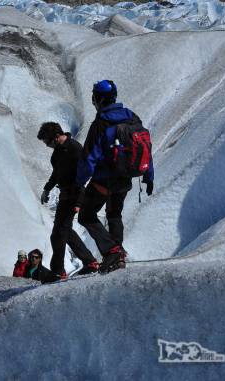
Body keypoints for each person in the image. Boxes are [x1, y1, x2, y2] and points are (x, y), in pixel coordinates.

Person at [76, 80, 154, 273]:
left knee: (86, 215)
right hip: (126, 178)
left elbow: (89, 159)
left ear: (98, 99)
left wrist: (78, 182)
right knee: (114, 214)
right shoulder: (132, 118)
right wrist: (149, 176)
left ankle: (112, 252)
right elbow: (145, 146)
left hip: (104, 179)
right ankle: (117, 257)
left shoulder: (101, 123)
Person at [38, 122, 99, 280]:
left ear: (56, 137)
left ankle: (58, 271)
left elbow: (83, 176)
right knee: (66, 232)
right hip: (65, 196)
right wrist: (47, 188)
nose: (47, 145)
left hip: (74, 195)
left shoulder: (75, 149)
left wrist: (79, 202)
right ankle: (90, 262)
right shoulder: (57, 153)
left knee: (58, 234)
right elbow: (56, 174)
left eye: (47, 141)